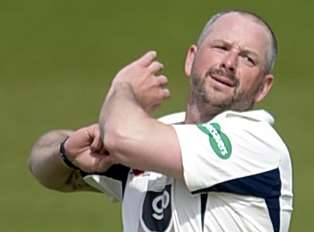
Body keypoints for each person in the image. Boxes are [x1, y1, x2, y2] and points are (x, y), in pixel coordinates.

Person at [28, 10, 293, 232]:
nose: (229, 63)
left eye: (248, 58)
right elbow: (40, 164)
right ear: (191, 59)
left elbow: (121, 136)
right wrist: (66, 153)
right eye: (221, 47)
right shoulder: (156, 136)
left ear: (263, 88)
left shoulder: (255, 142)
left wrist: (124, 89)